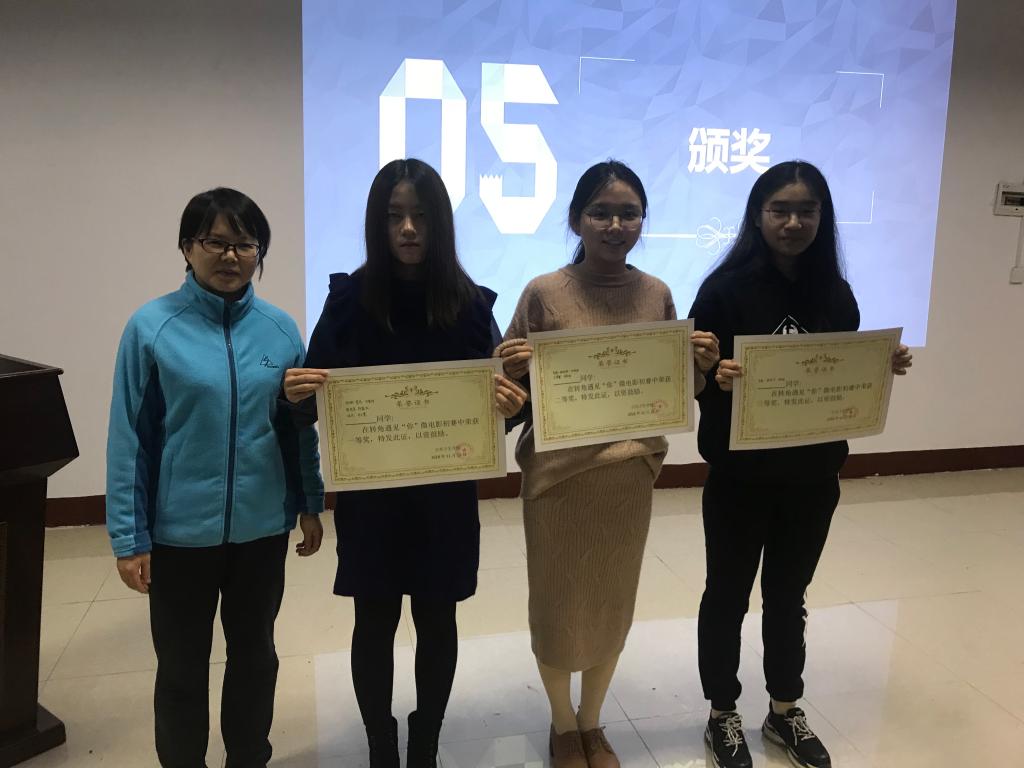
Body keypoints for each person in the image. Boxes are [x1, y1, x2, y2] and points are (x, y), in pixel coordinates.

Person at [282, 158, 527, 768]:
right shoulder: (348, 301)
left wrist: (509, 405)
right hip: (372, 499)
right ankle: (379, 744)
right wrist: (294, 396)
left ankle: (426, 741)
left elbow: (495, 412)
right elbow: (308, 403)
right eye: (395, 217)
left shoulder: (470, 304)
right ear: (378, 224)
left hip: (444, 499)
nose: (409, 228)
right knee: (373, 622)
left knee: (438, 621)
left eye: (421, 216)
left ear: (440, 223)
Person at [689, 160, 913, 768]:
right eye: (779, 210)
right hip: (739, 478)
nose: (793, 222)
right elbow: (694, 380)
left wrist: (878, 367)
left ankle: (784, 709)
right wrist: (713, 376)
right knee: (727, 596)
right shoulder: (723, 290)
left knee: (789, 597)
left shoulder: (835, 293)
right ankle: (722, 713)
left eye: (806, 211)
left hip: (813, 478)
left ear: (823, 217)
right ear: (758, 215)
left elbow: (839, 377)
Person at [496, 160, 720, 768]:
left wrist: (699, 364)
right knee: (557, 605)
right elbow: (507, 388)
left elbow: (675, 387)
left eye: (628, 213)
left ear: (643, 221)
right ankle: (562, 723)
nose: (615, 225)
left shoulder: (657, 294)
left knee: (610, 603)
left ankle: (592, 721)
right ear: (576, 219)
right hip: (557, 480)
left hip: (628, 479)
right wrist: (508, 368)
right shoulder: (543, 292)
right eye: (600, 212)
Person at [105, 187, 325, 768]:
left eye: (245, 245)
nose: (231, 256)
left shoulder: (281, 331)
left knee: (256, 658)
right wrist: (129, 538)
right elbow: (129, 440)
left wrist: (310, 501)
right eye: (216, 242)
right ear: (187, 247)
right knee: (181, 669)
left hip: (261, 531)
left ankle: (249, 757)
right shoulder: (151, 328)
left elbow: (298, 427)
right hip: (179, 536)